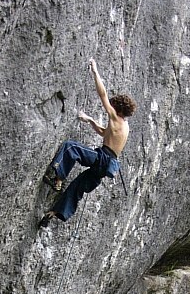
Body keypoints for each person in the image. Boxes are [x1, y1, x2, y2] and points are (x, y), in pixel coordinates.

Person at [40, 59, 136, 226]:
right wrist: (90, 120)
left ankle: (58, 178)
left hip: (103, 158)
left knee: (71, 147)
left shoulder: (116, 117)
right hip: (107, 166)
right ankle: (53, 212)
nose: (110, 109)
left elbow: (103, 95)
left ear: (118, 110)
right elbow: (104, 133)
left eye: (113, 107)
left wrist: (95, 72)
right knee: (77, 187)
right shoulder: (124, 126)